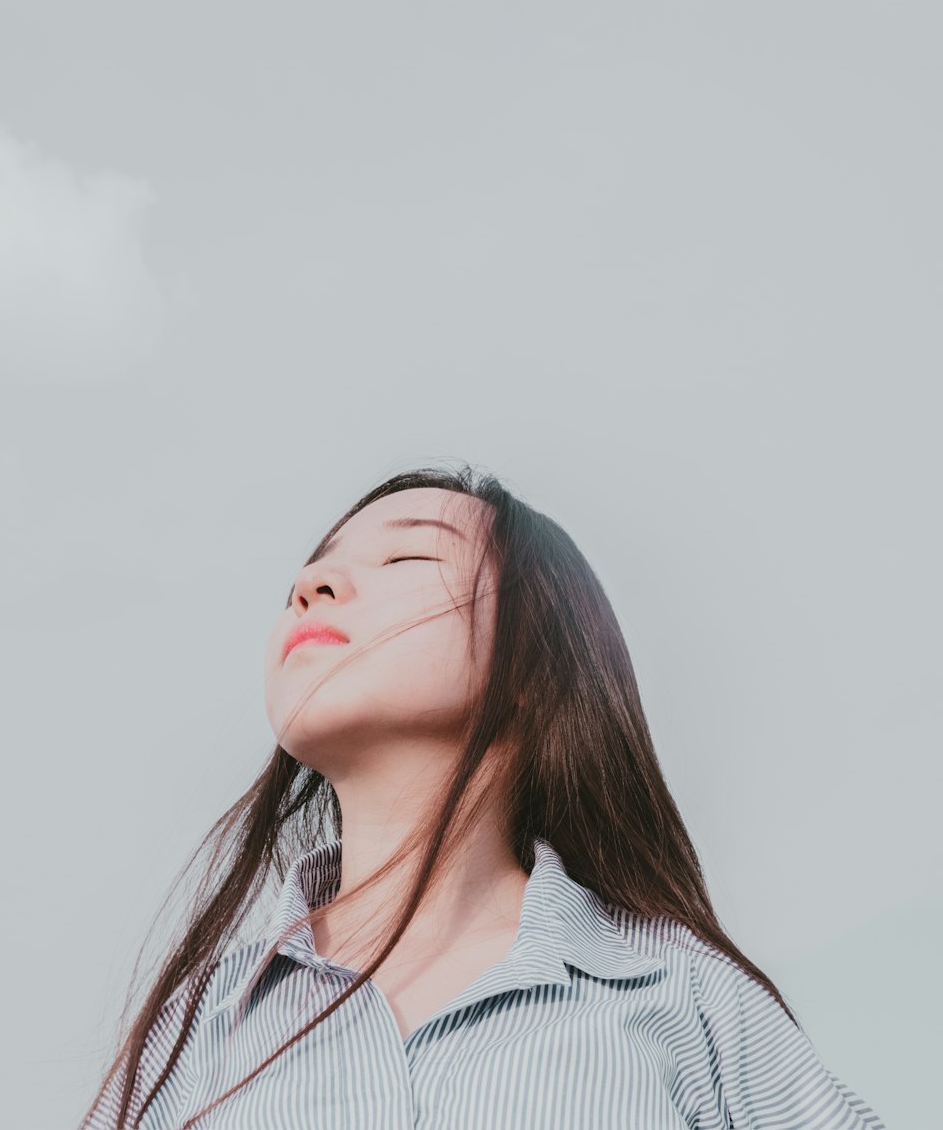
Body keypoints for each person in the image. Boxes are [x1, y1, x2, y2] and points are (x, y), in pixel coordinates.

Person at [80, 464, 887, 1129]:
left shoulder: (685, 995)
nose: (312, 583)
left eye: (406, 561)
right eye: (312, 568)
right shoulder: (192, 1034)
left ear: (534, 668)